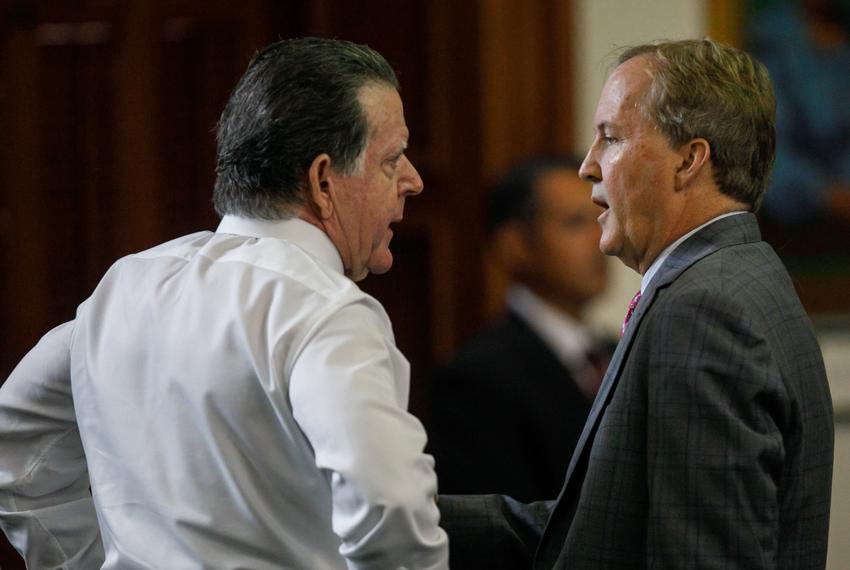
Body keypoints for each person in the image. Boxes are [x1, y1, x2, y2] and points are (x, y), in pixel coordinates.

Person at [0, 37, 449, 569]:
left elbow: (13, 450)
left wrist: (83, 560)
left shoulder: (124, 287)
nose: (413, 181)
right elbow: (390, 507)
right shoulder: (324, 311)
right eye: (392, 160)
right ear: (323, 180)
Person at [438, 38, 834, 569]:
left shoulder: (701, 309)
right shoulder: (746, 274)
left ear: (688, 160)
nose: (588, 166)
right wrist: (401, 517)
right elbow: (604, 525)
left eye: (610, 138)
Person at [426, 155, 613, 503]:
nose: (599, 240)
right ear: (514, 244)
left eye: (599, 218)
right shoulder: (477, 378)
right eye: (574, 223)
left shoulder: (617, 351)